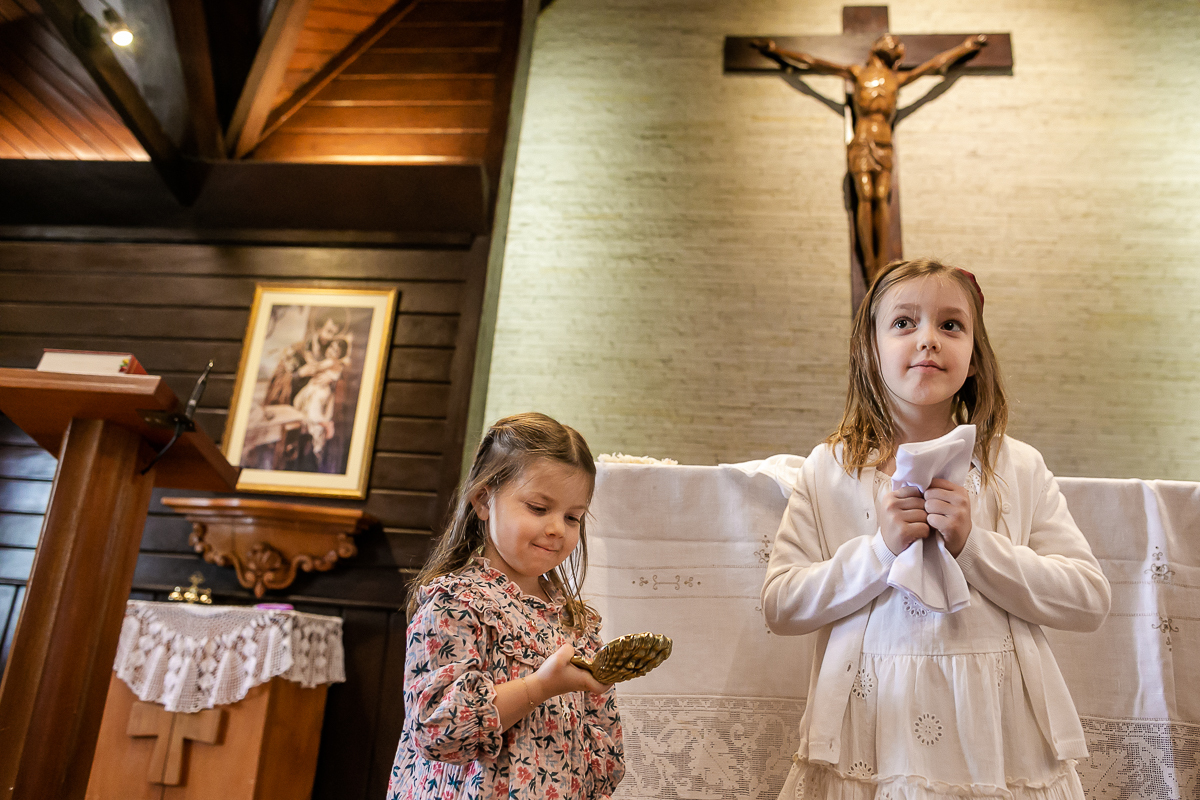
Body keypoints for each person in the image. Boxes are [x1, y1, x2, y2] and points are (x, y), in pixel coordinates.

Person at [761, 259, 1110, 798]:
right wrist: (879, 551)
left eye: (951, 324)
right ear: (870, 350)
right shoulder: (829, 469)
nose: (928, 339)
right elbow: (781, 605)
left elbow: (1088, 599)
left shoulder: (1016, 467)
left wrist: (975, 547)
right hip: (871, 735)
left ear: (974, 358)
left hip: (998, 736)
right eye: (904, 323)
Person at [387, 412, 625, 800]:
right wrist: (540, 687)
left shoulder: (575, 621)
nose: (557, 529)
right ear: (484, 500)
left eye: (572, 517)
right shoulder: (456, 603)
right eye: (538, 508)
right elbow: (437, 728)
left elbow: (603, 744)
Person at [752, 35, 987, 284]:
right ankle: (869, 263)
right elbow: (811, 62)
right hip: (862, 143)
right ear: (875, 47)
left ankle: (882, 263)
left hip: (885, 144)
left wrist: (964, 48)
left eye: (897, 44)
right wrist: (775, 50)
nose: (896, 45)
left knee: (881, 198)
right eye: (891, 41)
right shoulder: (857, 73)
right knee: (865, 196)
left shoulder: (897, 79)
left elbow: (934, 65)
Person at [291, 338, 348, 464]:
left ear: (339, 355)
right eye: (331, 347)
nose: (331, 351)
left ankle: (325, 428)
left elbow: (315, 367)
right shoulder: (331, 362)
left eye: (336, 351)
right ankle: (310, 440)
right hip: (314, 389)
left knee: (312, 415)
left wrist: (308, 354)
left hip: (320, 392)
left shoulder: (331, 362)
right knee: (299, 405)